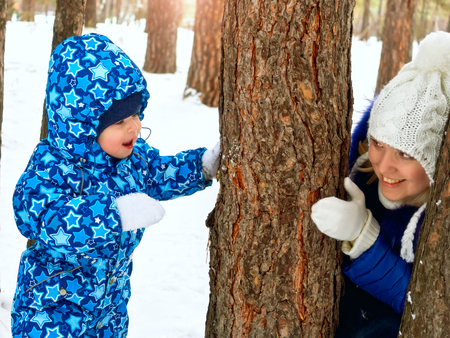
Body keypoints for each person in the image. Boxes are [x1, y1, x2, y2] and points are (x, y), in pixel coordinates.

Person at [10, 33, 220, 337]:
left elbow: (161, 173)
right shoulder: (52, 166)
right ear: (82, 126)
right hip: (52, 311)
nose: (134, 126)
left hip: (110, 307)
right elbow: (41, 218)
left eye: (135, 114)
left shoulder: (132, 159)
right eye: (120, 121)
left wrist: (201, 166)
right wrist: (114, 214)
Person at [311, 30, 450, 337]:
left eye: (405, 153)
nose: (384, 165)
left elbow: (432, 311)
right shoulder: (360, 180)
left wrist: (365, 239)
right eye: (377, 143)